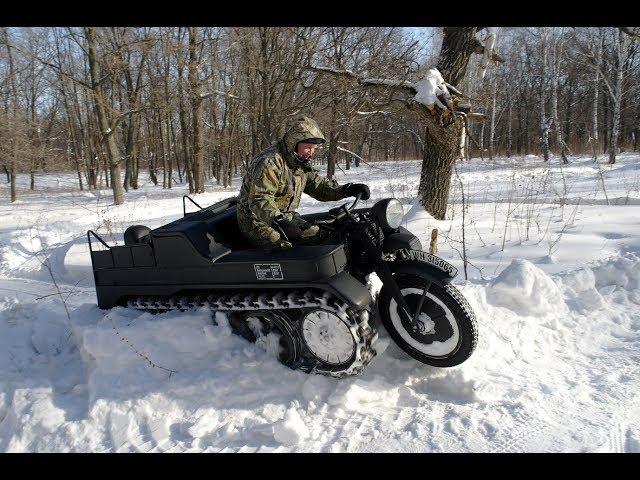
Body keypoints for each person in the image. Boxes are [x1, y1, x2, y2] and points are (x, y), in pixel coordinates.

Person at [237, 115, 370, 250]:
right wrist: (280, 222)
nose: (311, 153)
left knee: (323, 236)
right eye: (307, 147)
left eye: (314, 148)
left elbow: (319, 187)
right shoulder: (271, 161)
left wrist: (346, 190)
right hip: (256, 221)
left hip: (285, 218)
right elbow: (259, 199)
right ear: (293, 144)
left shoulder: (298, 162)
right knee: (288, 249)